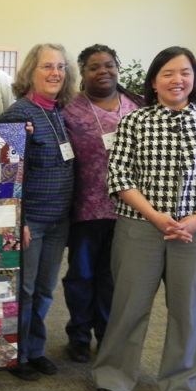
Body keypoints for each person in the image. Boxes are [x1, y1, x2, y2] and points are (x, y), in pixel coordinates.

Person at [93, 46, 196, 391]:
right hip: (140, 228)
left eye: (185, 72)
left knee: (186, 310)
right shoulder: (135, 122)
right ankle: (114, 376)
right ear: (154, 82)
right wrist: (157, 217)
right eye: (168, 73)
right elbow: (119, 177)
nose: (178, 80)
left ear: (195, 78)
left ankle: (179, 383)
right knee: (129, 305)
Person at [60, 45, 143, 363]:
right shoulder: (70, 109)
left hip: (128, 209)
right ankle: (79, 335)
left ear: (117, 67)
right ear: (82, 73)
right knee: (80, 275)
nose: (103, 71)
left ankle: (106, 333)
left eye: (108, 65)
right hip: (84, 208)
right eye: (94, 67)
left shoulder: (137, 105)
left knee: (112, 277)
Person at [1, 43, 77, 381]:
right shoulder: (18, 114)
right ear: (31, 71)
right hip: (31, 220)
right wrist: (18, 219)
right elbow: (4, 174)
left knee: (46, 290)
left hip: (59, 220)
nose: (55, 73)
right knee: (26, 291)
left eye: (60, 67)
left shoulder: (60, 113)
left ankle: (35, 349)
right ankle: (17, 354)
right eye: (47, 66)